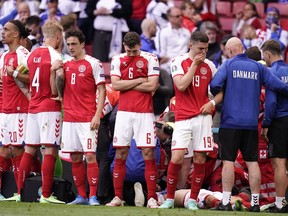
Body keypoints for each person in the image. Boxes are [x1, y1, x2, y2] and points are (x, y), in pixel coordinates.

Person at [210, 37, 288, 212]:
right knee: (253, 162)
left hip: (230, 122)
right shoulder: (259, 67)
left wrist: (222, 90)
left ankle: (225, 201)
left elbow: (214, 85)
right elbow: (279, 86)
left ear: (230, 50)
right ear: (242, 48)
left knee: (228, 161)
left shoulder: (228, 65)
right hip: (252, 123)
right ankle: (254, 203)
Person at [158, 31, 221, 210]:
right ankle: (170, 198)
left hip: (203, 118)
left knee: (200, 159)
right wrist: (194, 65)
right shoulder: (178, 61)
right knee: (177, 157)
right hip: (183, 118)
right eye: (200, 48)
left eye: (206, 49)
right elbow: (181, 85)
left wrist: (212, 102)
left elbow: (221, 91)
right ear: (190, 45)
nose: (203, 52)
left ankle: (193, 198)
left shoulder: (210, 65)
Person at [105, 31, 160, 208]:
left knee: (148, 154)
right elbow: (115, 85)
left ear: (140, 46)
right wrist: (139, 80)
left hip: (145, 113)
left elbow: (152, 85)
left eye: (134, 51)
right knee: (121, 153)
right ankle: (118, 197)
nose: (131, 54)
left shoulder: (151, 58)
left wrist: (127, 83)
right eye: (128, 51)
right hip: (124, 113)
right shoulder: (117, 59)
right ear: (124, 47)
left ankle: (151, 197)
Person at [54, 29, 106, 205]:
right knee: (75, 158)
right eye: (68, 44)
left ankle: (93, 196)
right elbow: (58, 89)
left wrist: (97, 115)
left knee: (90, 156)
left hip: (87, 118)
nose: (71, 47)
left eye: (74, 44)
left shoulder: (94, 63)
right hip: (69, 118)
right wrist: (56, 72)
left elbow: (102, 89)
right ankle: (81, 196)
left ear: (83, 44)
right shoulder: (66, 64)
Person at [16, 20, 65, 204]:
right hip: (48, 106)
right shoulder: (55, 55)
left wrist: (29, 95)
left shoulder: (32, 54)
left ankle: (20, 192)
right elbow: (57, 80)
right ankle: (45, 195)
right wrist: (59, 96)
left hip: (33, 107)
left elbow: (21, 78)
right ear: (58, 36)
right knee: (50, 150)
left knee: (29, 150)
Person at [0, 20, 30, 201]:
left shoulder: (22, 53)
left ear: (16, 34)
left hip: (20, 109)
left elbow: (32, 77)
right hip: (5, 109)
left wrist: (15, 73)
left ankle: (20, 192)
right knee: (3, 150)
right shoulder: (4, 56)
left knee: (16, 150)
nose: (3, 32)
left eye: (6, 30)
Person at [260, 39, 288, 213]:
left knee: (279, 164)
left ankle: (280, 203)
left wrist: (266, 124)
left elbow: (270, 103)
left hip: (280, 121)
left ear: (268, 55)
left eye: (265, 56)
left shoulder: (272, 72)